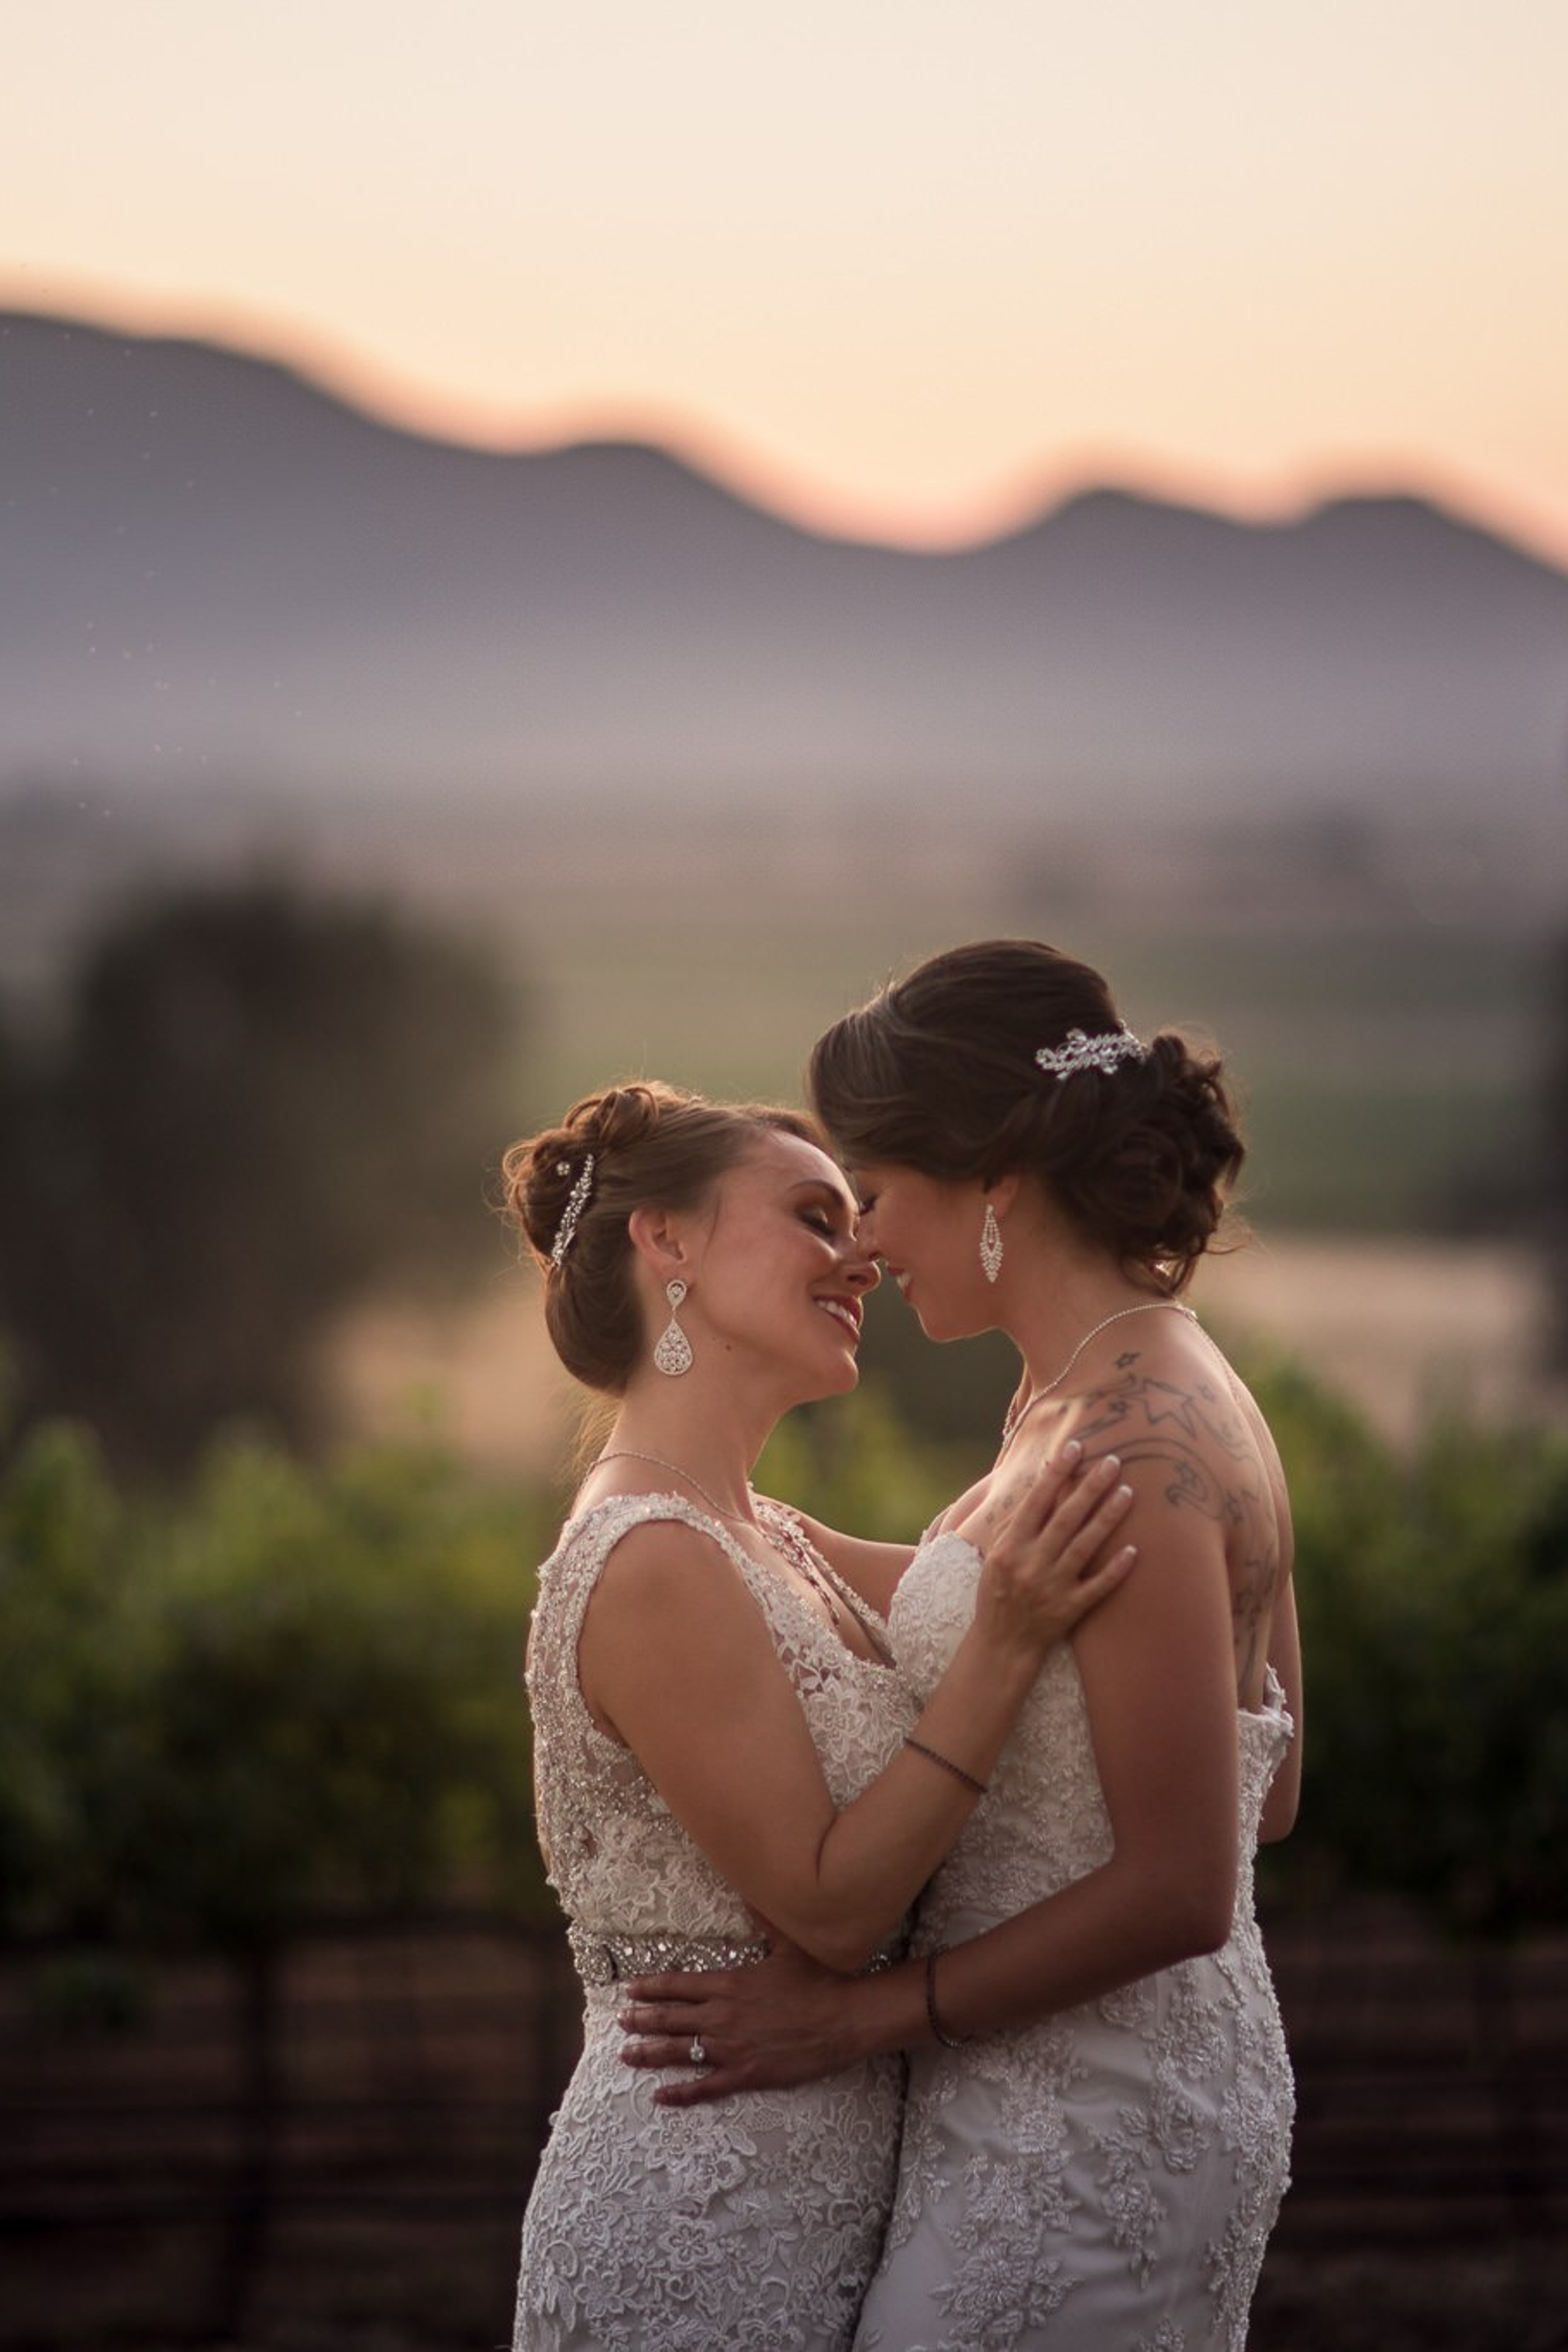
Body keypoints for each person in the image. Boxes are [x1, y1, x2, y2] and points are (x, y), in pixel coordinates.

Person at [619, 940, 1303, 2351]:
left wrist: (855, 2023)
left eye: (869, 1196)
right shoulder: (1091, 1388)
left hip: (1093, 2127)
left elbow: (1188, 1884)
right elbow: (1268, 1781)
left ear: (991, 1179)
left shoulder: (1135, 1439)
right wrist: (694, 1522)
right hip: (1030, 2094)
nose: (859, 1244)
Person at [502, 1077, 1138, 2352]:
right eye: (810, 1214)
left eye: (855, 1218)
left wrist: (1163, 1428)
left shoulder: (770, 1539)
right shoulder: (649, 1560)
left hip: (840, 2206)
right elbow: (833, 1907)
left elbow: (1042, 1592)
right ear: (665, 1242)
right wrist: (999, 1648)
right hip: (699, 2221)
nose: (857, 1254)